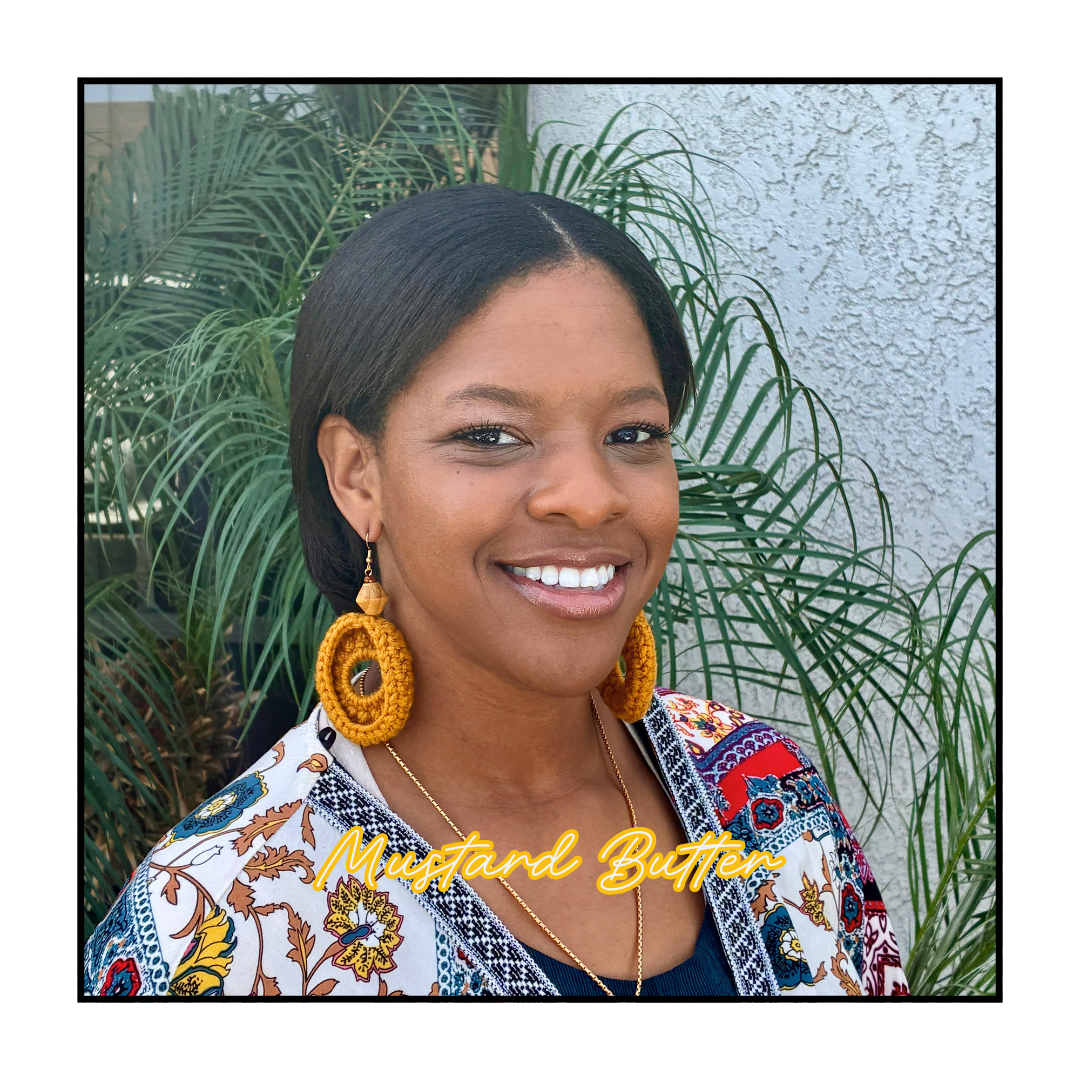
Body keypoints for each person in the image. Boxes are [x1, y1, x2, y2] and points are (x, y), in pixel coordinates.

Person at [84, 184, 908, 998]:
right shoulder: (220, 923)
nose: (590, 497)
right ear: (358, 476)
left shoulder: (765, 787)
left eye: (633, 433)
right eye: (490, 435)